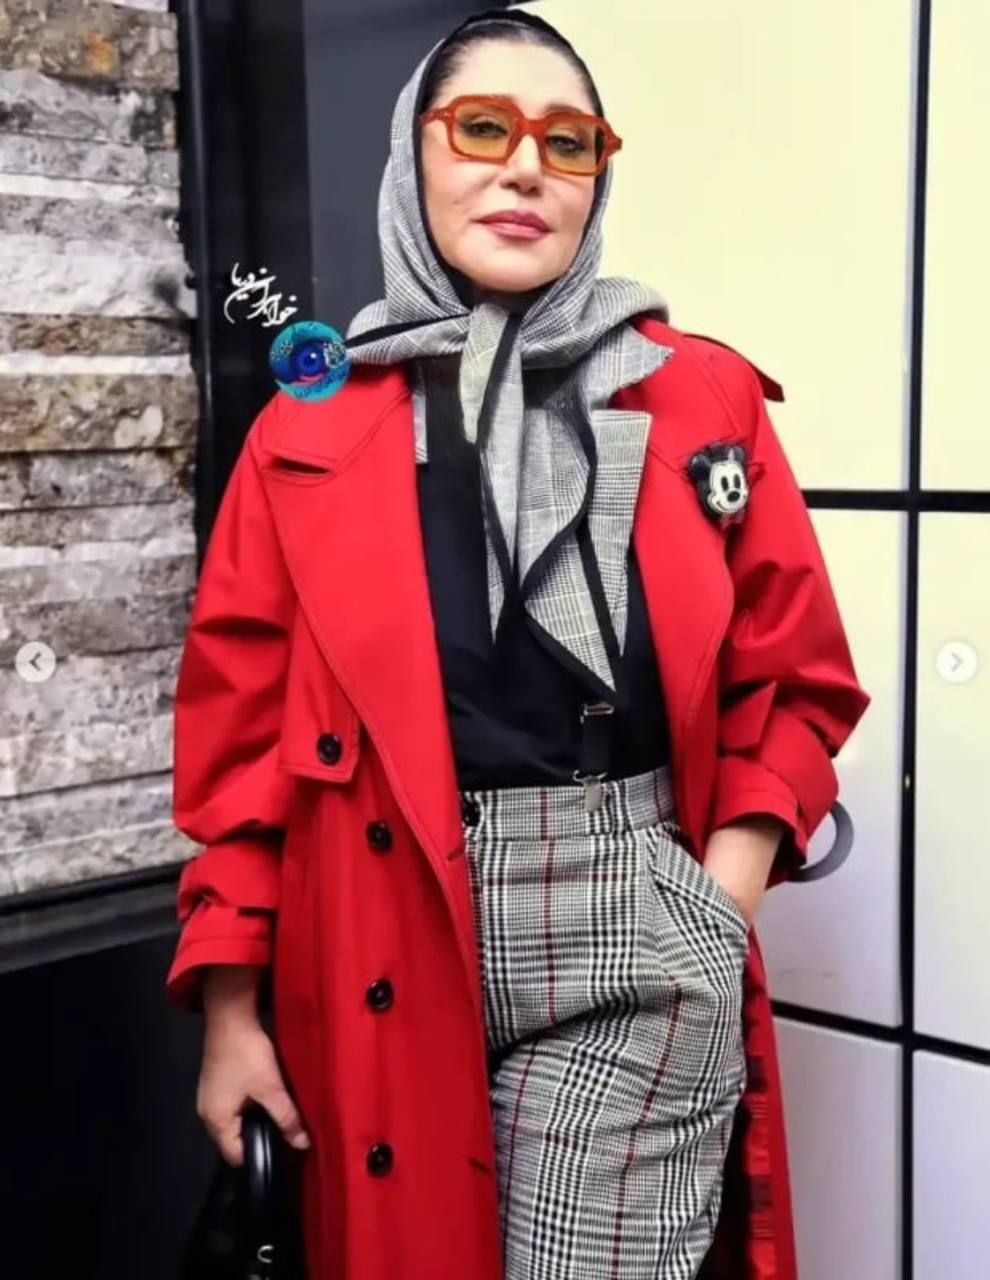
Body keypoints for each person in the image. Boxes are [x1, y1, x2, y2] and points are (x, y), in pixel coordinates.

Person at [165, 8, 871, 1279]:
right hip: (379, 920)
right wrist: (230, 1008)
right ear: (413, 155)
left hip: (632, 916)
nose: (527, 167)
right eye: (483, 128)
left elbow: (797, 678)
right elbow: (241, 744)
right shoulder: (307, 430)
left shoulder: (696, 395)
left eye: (570, 140)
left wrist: (718, 899)